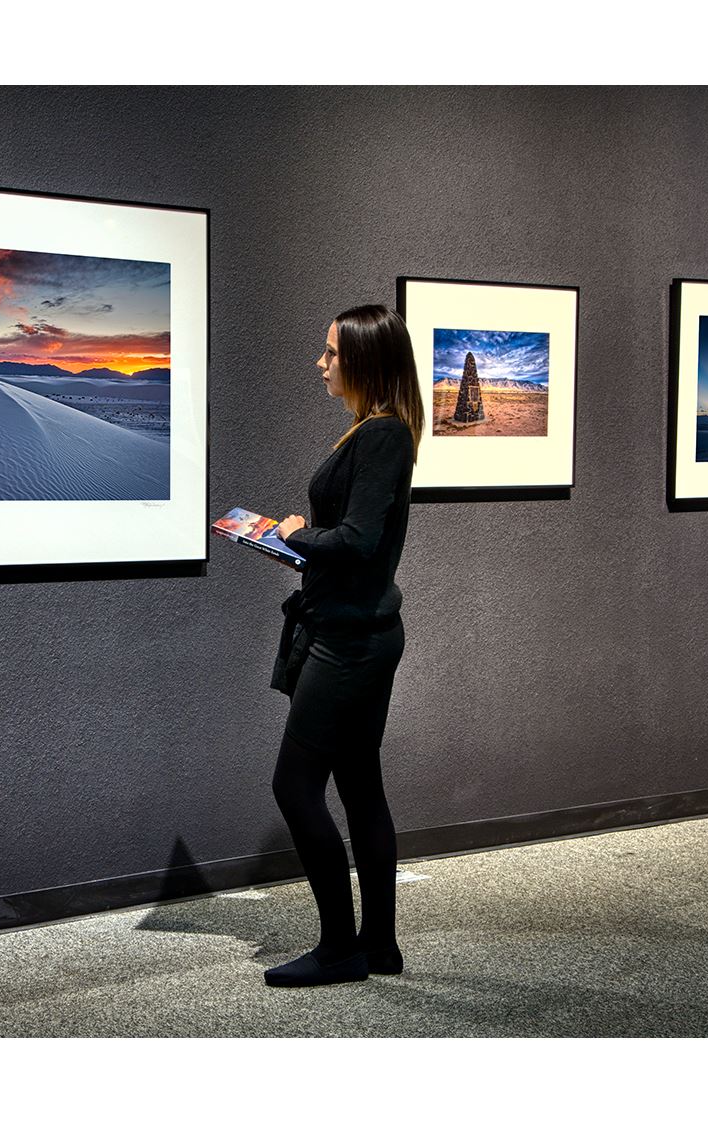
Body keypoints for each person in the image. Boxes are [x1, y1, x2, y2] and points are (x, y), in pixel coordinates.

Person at [264, 304, 423, 987]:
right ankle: (378, 944)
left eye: (332, 352)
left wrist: (294, 531)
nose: (321, 363)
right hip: (352, 628)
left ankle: (339, 949)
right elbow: (357, 546)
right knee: (359, 786)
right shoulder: (373, 430)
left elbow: (357, 540)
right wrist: (295, 546)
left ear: (363, 359)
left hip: (351, 642)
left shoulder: (382, 435)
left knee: (295, 786)